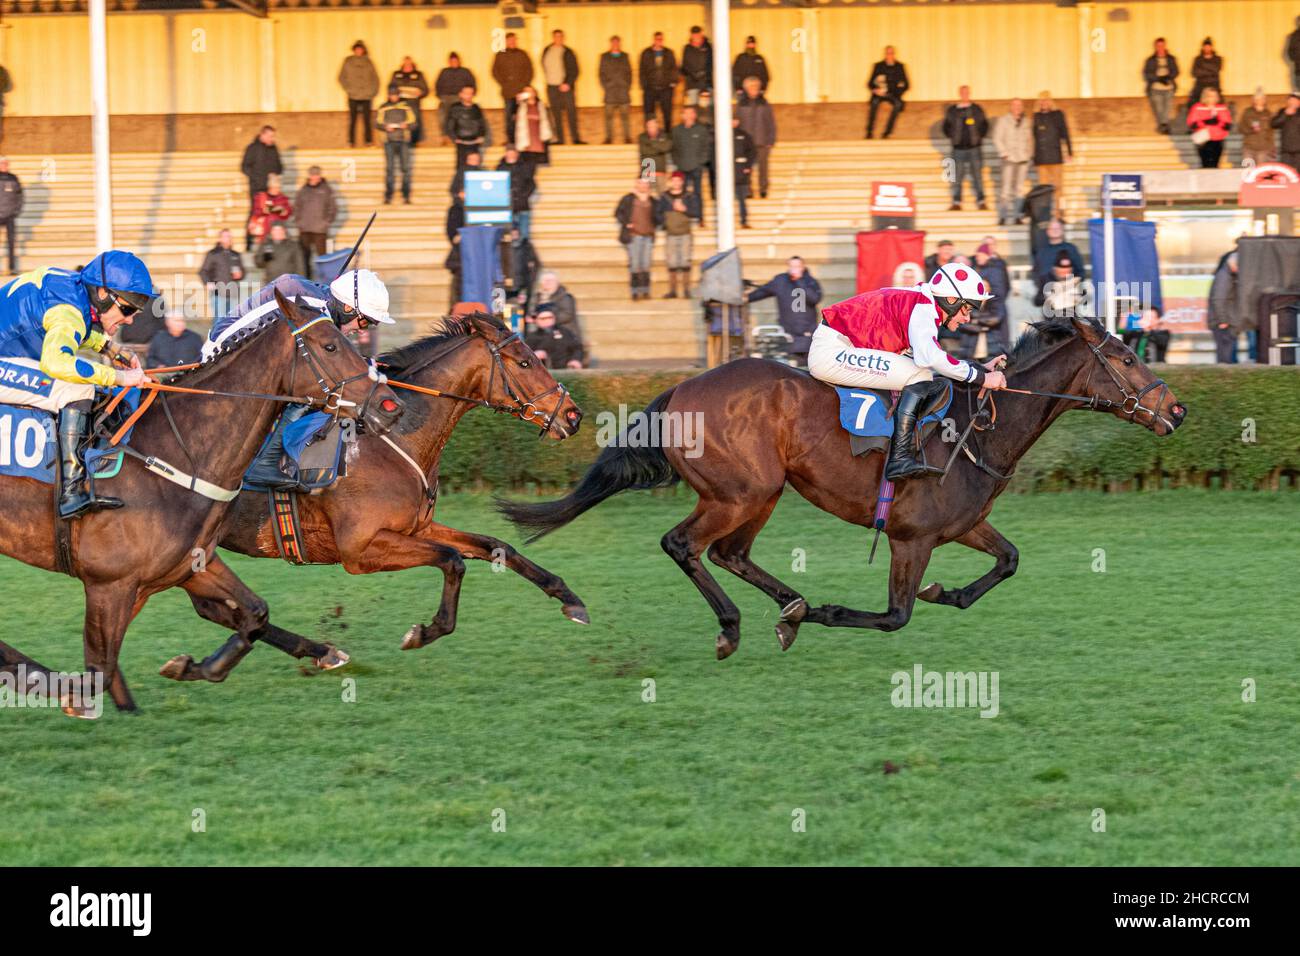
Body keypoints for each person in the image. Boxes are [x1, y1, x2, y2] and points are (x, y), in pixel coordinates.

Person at [809, 264, 1006, 481]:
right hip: (832, 352)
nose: (967, 318)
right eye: (966, 309)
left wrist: (977, 368)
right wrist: (982, 378)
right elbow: (930, 358)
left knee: (920, 372)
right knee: (919, 375)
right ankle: (899, 459)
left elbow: (932, 357)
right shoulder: (923, 308)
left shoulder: (922, 302)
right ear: (951, 300)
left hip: (838, 346)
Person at [0, 251, 154, 517]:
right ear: (104, 293)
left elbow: (71, 328)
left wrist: (112, 349)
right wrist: (120, 377)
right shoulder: (68, 311)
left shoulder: (75, 288)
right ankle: (70, 493)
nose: (129, 319)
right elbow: (56, 361)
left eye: (136, 312)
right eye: (127, 309)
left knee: (86, 381)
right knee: (76, 388)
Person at [213, 270, 394, 488]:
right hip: (224, 357)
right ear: (348, 308)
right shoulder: (311, 308)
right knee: (319, 388)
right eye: (365, 322)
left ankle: (288, 457)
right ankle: (267, 462)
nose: (362, 330)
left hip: (254, 359)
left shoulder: (322, 305)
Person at [746, 256, 823, 366]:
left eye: (797, 266)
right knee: (786, 366)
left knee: (805, 366)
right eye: (791, 266)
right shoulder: (780, 280)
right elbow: (763, 291)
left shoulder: (809, 281)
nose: (794, 269)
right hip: (786, 331)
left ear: (803, 267)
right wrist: (746, 298)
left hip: (806, 332)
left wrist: (799, 281)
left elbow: (815, 298)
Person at [942, 86, 989, 212]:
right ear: (959, 94)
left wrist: (978, 138)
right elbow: (946, 126)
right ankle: (956, 202)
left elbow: (984, 125)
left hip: (974, 148)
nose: (964, 94)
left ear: (969, 93)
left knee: (977, 175)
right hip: (958, 149)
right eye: (962, 92)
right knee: (957, 176)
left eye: (966, 92)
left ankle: (981, 201)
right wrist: (953, 138)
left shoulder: (976, 109)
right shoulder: (952, 110)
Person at [656, 171, 701, 298]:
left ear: (682, 182)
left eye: (679, 180)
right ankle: (673, 290)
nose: (676, 183)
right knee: (672, 262)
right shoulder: (664, 197)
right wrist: (665, 222)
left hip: (685, 233)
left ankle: (686, 290)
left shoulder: (689, 196)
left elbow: (697, 212)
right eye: (674, 180)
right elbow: (657, 213)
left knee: (685, 261)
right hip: (671, 234)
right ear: (670, 181)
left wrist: (685, 209)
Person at [964, 239, 1011, 358]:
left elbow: (998, 294)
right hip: (983, 312)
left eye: (980, 255)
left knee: (994, 351)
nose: (978, 258)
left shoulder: (994, 270)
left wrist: (979, 316)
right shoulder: (981, 268)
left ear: (987, 256)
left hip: (990, 312)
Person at [615, 178, 660, 301]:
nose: (643, 185)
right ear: (636, 184)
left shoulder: (653, 200)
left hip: (648, 237)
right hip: (634, 236)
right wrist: (626, 223)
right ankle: (634, 292)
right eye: (640, 183)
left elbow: (659, 217)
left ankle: (646, 291)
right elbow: (618, 213)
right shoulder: (628, 199)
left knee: (646, 265)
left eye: (645, 183)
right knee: (635, 265)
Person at [240, 125, 282, 248]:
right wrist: (256, 178)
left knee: (270, 215)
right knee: (255, 213)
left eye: (273, 136)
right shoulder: (252, 148)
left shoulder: (274, 149)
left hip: (271, 190)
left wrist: (276, 173)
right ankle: (249, 242)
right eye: (269, 136)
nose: (272, 138)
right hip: (257, 189)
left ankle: (267, 242)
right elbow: (244, 167)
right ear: (262, 135)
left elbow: (280, 167)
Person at [1032, 92, 1072, 219]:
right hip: (1041, 158)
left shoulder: (1058, 115)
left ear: (1051, 101)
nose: (1044, 103)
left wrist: (1070, 151)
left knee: (1059, 187)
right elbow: (1033, 137)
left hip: (1055, 156)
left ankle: (1060, 211)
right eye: (1042, 101)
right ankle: (1045, 212)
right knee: (1043, 188)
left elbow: (1065, 133)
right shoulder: (1036, 116)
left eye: (1046, 100)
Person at [736, 75, 777, 199]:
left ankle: (763, 189)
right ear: (746, 89)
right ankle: (748, 190)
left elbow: (771, 122)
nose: (754, 89)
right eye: (751, 87)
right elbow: (737, 122)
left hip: (762, 141)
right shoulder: (741, 104)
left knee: (763, 168)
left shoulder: (764, 103)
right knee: (747, 168)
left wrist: (771, 140)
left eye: (756, 87)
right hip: (747, 143)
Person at [993, 99, 1032, 225]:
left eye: (1019, 105)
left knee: (1019, 189)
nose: (1017, 107)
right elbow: (997, 138)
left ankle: (1017, 216)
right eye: (1015, 105)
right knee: (1006, 189)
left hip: (1023, 158)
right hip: (1009, 158)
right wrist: (1003, 153)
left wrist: (1029, 154)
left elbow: (1030, 139)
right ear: (1011, 106)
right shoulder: (1003, 120)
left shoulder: (1026, 121)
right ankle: (1003, 216)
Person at [293, 166, 337, 279]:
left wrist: (326, 222)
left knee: (322, 258)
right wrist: (299, 223)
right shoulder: (303, 190)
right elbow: (297, 207)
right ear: (309, 176)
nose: (315, 177)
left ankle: (323, 280)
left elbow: (333, 208)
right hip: (305, 230)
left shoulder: (327, 190)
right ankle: (306, 280)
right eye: (313, 174)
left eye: (317, 174)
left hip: (320, 231)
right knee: (304, 258)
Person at [377, 85, 417, 203]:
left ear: (398, 95)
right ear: (388, 95)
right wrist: (385, 127)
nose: (393, 97)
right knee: (390, 169)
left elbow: (414, 123)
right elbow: (377, 123)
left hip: (404, 140)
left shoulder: (407, 107)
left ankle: (406, 195)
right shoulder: (383, 107)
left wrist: (407, 126)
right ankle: (388, 195)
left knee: (405, 169)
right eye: (391, 95)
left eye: (395, 94)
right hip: (388, 141)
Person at [542, 29, 583, 145]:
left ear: (563, 38)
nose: (558, 38)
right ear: (553, 37)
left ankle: (575, 139)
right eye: (556, 36)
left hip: (566, 87)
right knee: (556, 114)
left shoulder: (568, 52)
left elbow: (575, 70)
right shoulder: (547, 50)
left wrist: (567, 83)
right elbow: (544, 66)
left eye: (560, 36)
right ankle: (560, 139)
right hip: (551, 87)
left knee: (571, 113)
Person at [492, 32, 534, 144]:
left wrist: (524, 84)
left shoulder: (523, 54)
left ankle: (524, 139)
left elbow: (529, 71)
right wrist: (504, 83)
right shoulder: (500, 55)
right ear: (506, 41)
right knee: (509, 117)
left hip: (522, 92)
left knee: (523, 117)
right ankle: (511, 140)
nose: (512, 42)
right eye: (510, 40)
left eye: (514, 40)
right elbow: (495, 71)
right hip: (508, 92)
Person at [533, 270, 584, 359]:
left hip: (565, 333)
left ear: (557, 283)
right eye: (545, 280)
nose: (548, 283)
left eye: (551, 280)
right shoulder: (538, 296)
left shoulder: (565, 297)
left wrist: (547, 320)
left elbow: (567, 315)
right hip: (544, 334)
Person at [339, 41, 380, 148]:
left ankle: (369, 141)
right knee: (352, 119)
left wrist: (372, 91)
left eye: (360, 49)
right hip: (353, 95)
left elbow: (375, 78)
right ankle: (350, 142)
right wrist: (349, 89)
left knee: (367, 120)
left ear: (363, 50)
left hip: (367, 96)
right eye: (357, 49)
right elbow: (341, 77)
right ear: (354, 50)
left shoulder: (368, 62)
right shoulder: (348, 61)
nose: (358, 51)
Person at [671, 105, 713, 210]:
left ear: (695, 115)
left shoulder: (701, 130)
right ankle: (685, 215)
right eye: (686, 113)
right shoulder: (676, 130)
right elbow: (673, 148)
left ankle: (700, 217)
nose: (688, 116)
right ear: (682, 115)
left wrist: (701, 162)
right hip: (681, 167)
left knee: (698, 193)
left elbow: (706, 147)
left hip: (696, 167)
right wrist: (677, 162)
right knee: (681, 193)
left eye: (691, 113)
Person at [866, 46, 909, 140]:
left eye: (891, 53)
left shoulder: (900, 66)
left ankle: (887, 133)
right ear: (885, 54)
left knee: (898, 104)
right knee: (874, 103)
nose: (889, 55)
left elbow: (907, 84)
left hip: (893, 94)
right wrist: (875, 90)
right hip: (879, 94)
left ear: (894, 54)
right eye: (887, 53)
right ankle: (869, 132)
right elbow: (869, 83)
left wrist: (897, 92)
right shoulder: (878, 66)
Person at [200, 228, 245, 318]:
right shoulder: (213, 254)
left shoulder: (235, 254)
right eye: (225, 236)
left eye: (229, 236)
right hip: (218, 293)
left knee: (232, 322)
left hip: (233, 293)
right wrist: (208, 283)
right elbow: (203, 271)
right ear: (219, 239)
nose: (227, 238)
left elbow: (243, 271)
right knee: (219, 321)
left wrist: (241, 274)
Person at [1032, 219, 1085, 295]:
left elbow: (1081, 272)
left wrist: (1068, 285)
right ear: (1047, 231)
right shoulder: (1041, 251)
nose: (1055, 230)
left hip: (1069, 297)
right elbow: (1035, 273)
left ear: (1063, 231)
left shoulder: (1071, 249)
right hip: (1048, 297)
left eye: (1057, 228)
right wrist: (1043, 288)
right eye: (1052, 228)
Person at [434, 53, 475, 148]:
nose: (454, 63)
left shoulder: (465, 72)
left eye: (456, 61)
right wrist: (440, 96)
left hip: (460, 98)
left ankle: (459, 137)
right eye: (452, 61)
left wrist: (466, 96)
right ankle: (445, 137)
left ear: (459, 61)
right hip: (446, 98)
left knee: (459, 118)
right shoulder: (444, 72)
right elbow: (437, 85)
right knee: (443, 117)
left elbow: (472, 85)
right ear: (449, 62)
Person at [1207, 250, 1241, 363]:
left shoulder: (1227, 274)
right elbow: (1218, 299)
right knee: (1225, 358)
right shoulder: (1224, 277)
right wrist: (1223, 320)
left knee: (1227, 357)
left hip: (1225, 321)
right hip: (1223, 323)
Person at [443, 84, 487, 169]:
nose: (468, 95)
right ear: (461, 94)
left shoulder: (476, 107)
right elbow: (449, 124)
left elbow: (481, 123)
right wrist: (454, 137)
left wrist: (481, 135)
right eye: (466, 93)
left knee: (475, 166)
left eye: (471, 93)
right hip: (461, 142)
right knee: (462, 166)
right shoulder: (455, 108)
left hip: (475, 142)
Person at [640, 32, 678, 130]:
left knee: (667, 113)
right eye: (657, 39)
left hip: (665, 89)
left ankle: (668, 133)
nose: (659, 41)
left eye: (660, 39)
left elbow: (674, 68)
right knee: (649, 114)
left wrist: (673, 83)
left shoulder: (669, 53)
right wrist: (644, 85)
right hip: (650, 88)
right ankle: (650, 134)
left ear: (663, 40)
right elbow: (642, 70)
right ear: (653, 40)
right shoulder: (646, 53)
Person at [525, 306, 583, 370]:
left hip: (566, 370)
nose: (547, 321)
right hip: (543, 373)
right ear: (536, 320)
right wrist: (534, 356)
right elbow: (523, 361)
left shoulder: (565, 332)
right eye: (543, 318)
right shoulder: (532, 337)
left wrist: (575, 359)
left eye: (550, 318)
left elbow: (577, 348)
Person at [599, 36, 633, 145]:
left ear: (619, 43)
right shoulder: (604, 57)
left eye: (617, 43)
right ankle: (608, 138)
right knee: (608, 118)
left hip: (623, 92)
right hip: (610, 92)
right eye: (613, 43)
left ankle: (627, 137)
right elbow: (601, 74)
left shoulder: (625, 56)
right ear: (610, 44)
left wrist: (627, 85)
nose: (615, 45)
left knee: (625, 117)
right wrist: (606, 86)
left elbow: (629, 73)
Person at [498, 144, 537, 238]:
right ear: (506, 153)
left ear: (517, 154)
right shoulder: (500, 168)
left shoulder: (525, 166)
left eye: (513, 152)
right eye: (509, 152)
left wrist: (524, 196)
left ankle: (523, 252)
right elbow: (497, 185)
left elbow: (531, 184)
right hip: (508, 208)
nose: (511, 154)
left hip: (522, 206)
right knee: (510, 237)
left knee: (524, 236)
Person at [1187, 87, 1232, 169]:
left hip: (1217, 139)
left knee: (1215, 163)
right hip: (1204, 139)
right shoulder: (1197, 107)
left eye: (1214, 96)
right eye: (1210, 96)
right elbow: (1192, 123)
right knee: (1205, 163)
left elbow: (1227, 123)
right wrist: (1205, 123)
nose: (1212, 98)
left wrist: (1218, 123)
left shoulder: (1222, 108)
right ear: (1205, 97)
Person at [389, 56, 429, 147]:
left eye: (409, 63)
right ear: (402, 63)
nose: (407, 64)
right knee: (399, 120)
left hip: (413, 102)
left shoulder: (419, 74)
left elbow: (425, 89)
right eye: (406, 63)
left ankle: (415, 141)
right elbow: (391, 87)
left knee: (414, 121)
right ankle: (399, 140)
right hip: (399, 102)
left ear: (412, 63)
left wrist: (420, 93)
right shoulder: (396, 74)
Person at [1143, 38, 1179, 134]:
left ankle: (1163, 126)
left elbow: (1176, 71)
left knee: (1167, 108)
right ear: (1155, 46)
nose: (1160, 47)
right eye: (1158, 45)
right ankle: (1163, 125)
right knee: (1159, 108)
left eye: (1162, 45)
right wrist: (1158, 78)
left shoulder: (1171, 59)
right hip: (1155, 88)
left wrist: (1167, 78)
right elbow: (1146, 74)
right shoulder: (1150, 60)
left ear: (1165, 46)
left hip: (1169, 88)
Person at [513, 86, 555, 170]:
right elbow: (513, 119)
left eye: (530, 91)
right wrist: (517, 103)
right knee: (527, 152)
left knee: (539, 149)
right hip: (526, 131)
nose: (529, 94)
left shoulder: (541, 105)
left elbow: (548, 119)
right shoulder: (521, 106)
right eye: (526, 91)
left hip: (539, 130)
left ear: (535, 93)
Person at [248, 173, 292, 248]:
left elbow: (288, 213)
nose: (277, 190)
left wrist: (284, 212)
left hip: (279, 232)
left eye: (278, 188)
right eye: (275, 188)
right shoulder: (261, 197)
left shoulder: (283, 198)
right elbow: (256, 212)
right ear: (270, 187)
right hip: (265, 231)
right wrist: (264, 211)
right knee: (266, 255)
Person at [1039, 250, 1085, 318]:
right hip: (1052, 320)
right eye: (1061, 269)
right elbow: (1037, 300)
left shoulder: (1075, 280)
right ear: (1055, 269)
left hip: (1071, 318)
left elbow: (1083, 298)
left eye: (1067, 269)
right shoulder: (1046, 279)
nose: (1064, 271)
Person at [506, 225, 540, 311]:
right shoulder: (504, 246)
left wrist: (531, 278)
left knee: (522, 308)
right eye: (512, 234)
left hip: (522, 285)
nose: (514, 236)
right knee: (507, 308)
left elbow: (536, 264)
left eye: (515, 233)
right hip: (507, 285)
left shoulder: (526, 246)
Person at [731, 117, 756, 229]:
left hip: (741, 172)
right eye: (731, 120)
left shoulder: (744, 135)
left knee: (741, 198)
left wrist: (747, 166)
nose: (733, 122)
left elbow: (752, 151)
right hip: (727, 173)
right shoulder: (721, 134)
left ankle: (743, 220)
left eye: (735, 120)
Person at [1240, 90, 1276, 168]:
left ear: (1265, 100)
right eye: (1257, 99)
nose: (1259, 101)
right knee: (1248, 172)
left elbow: (1271, 133)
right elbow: (1241, 128)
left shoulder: (1268, 113)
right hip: (1249, 148)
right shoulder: (1247, 112)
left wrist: (1272, 147)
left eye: (1261, 98)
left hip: (1264, 149)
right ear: (1253, 100)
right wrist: (1251, 130)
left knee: (1261, 172)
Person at [0, 156, 22, 273]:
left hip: (9, 216)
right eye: (2, 164)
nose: (4, 166)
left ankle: (11, 268)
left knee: (11, 243)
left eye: (6, 164)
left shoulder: (13, 178)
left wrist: (16, 211)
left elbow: (20, 196)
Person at [1188, 37, 1223, 111]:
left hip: (1214, 85)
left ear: (1211, 48)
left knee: (1221, 104)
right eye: (1205, 47)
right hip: (1200, 86)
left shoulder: (1218, 59)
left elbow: (1216, 69)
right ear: (1203, 48)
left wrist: (1202, 68)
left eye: (1208, 47)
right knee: (1191, 104)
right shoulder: (1197, 59)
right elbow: (1194, 73)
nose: (1207, 49)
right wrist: (1210, 70)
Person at [681, 26, 713, 108]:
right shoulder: (687, 48)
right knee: (694, 108)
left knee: (707, 108)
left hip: (706, 83)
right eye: (694, 35)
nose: (696, 37)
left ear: (701, 34)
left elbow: (711, 64)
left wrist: (704, 75)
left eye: (698, 34)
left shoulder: (708, 47)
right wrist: (694, 75)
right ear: (691, 35)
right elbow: (685, 65)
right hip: (692, 84)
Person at [639, 117, 673, 191]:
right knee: (649, 196)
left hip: (661, 171)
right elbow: (644, 151)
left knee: (662, 196)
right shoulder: (642, 137)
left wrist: (651, 143)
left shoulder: (665, 136)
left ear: (657, 126)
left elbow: (665, 148)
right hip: (647, 171)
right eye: (649, 126)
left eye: (653, 126)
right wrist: (659, 148)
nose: (651, 128)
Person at [1273, 92, 1300, 171]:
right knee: (1286, 172)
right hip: (1286, 150)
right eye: (1290, 100)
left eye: (1295, 101)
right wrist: (1285, 114)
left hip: (1299, 150)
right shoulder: (1282, 111)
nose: (1292, 103)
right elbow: (1274, 124)